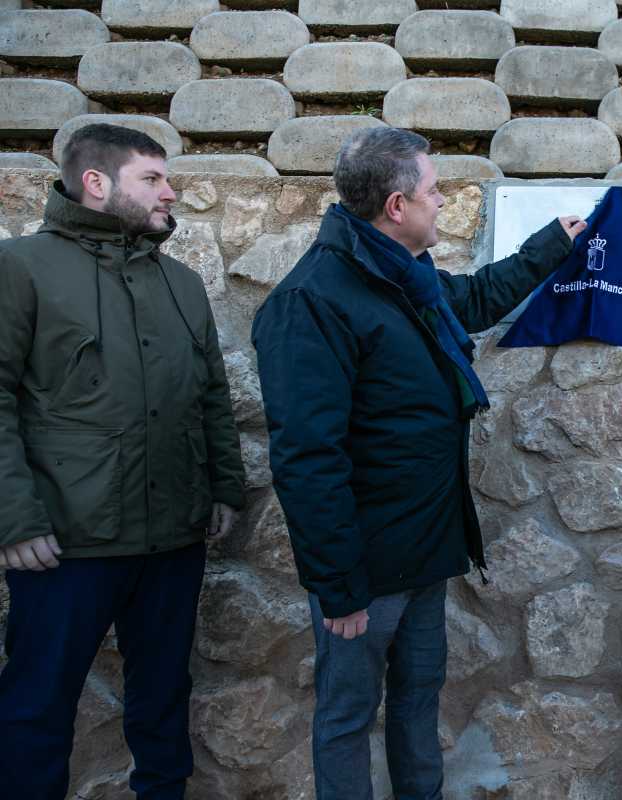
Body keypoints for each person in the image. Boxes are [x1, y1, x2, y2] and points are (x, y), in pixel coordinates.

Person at [252, 127, 586, 799]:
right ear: (397, 206)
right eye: (435, 190)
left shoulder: (405, 276)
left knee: (416, 704)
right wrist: (339, 585)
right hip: (366, 573)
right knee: (347, 718)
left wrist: (552, 244)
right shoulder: (313, 299)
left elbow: (474, 302)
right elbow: (307, 457)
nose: (445, 200)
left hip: (426, 549)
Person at [0, 123, 246, 799]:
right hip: (63, 548)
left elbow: (210, 395)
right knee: (35, 709)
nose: (171, 191)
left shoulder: (181, 283)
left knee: (164, 705)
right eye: (153, 178)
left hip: (170, 542)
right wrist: (15, 521)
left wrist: (224, 487)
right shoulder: (19, 268)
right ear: (96, 183)